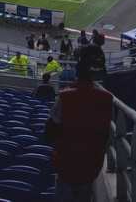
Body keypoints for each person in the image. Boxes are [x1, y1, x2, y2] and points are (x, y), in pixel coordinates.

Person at [45, 45, 113, 201]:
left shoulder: (65, 97)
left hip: (66, 168)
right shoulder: (107, 99)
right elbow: (105, 137)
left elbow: (48, 134)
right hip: (91, 169)